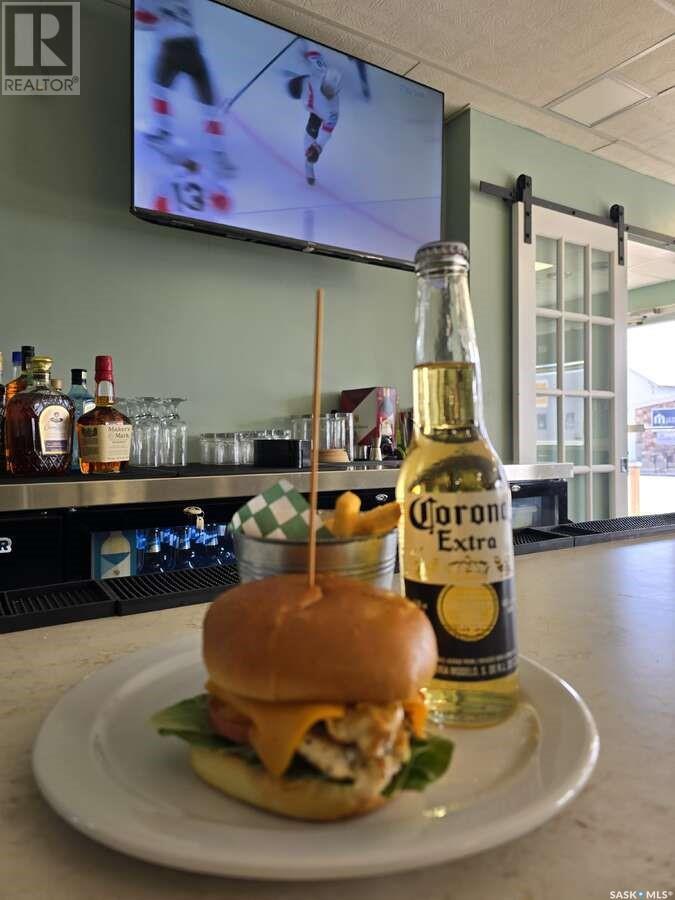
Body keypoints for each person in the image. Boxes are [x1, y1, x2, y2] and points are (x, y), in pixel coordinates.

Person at [134, 0, 235, 177]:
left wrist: (149, 18)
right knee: (210, 108)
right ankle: (220, 157)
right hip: (194, 50)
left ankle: (163, 133)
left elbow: (141, 21)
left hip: (171, 49)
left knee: (158, 90)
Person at [286, 46, 342, 186]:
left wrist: (316, 148)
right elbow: (315, 57)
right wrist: (307, 52)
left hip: (315, 111)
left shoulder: (332, 111)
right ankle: (309, 162)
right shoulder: (322, 73)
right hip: (304, 90)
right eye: (326, 89)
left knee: (310, 136)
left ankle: (309, 164)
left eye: (330, 91)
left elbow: (326, 133)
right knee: (310, 136)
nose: (328, 93)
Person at [150, 156, 232, 221]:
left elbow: (158, 207)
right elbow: (224, 207)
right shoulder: (208, 180)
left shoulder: (168, 180)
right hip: (204, 223)